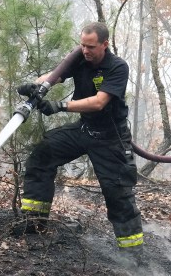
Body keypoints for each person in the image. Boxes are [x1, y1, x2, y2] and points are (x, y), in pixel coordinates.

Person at [17, 22, 143, 257]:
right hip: (84, 129)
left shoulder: (117, 67)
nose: (85, 51)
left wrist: (60, 106)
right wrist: (36, 85)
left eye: (91, 46)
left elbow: (99, 102)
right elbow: (54, 76)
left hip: (110, 139)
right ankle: (34, 224)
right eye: (82, 45)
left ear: (105, 44)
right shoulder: (80, 58)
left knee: (118, 192)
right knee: (42, 156)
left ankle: (133, 253)